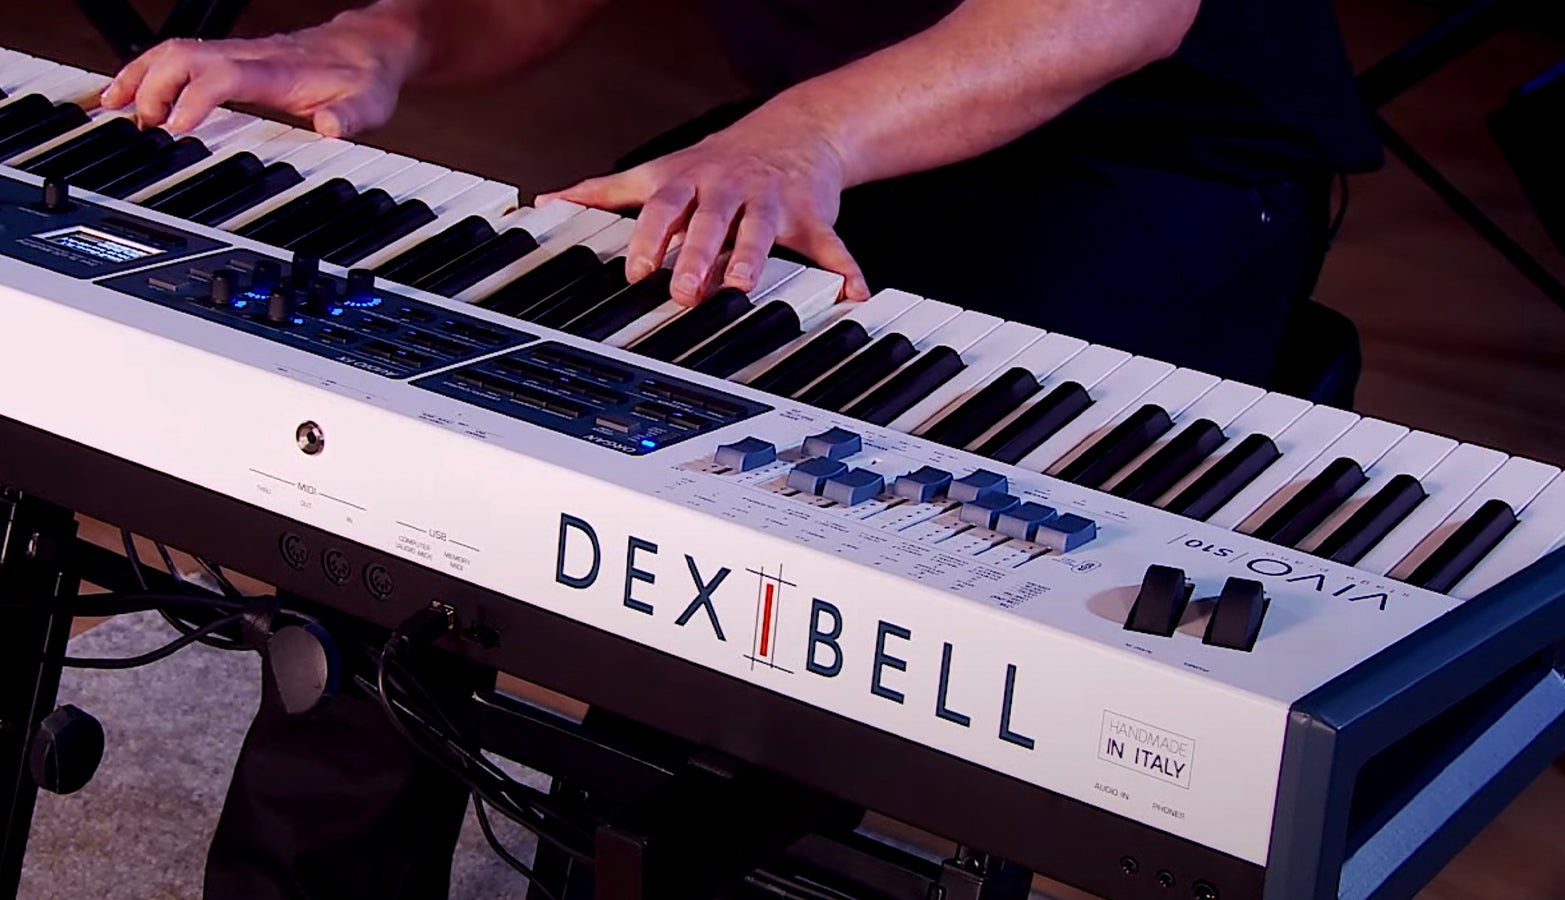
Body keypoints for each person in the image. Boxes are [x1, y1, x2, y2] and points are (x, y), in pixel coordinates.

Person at [105, 1, 1381, 897]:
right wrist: (376, 38)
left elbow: (1116, 7)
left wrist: (804, 139)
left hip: (1151, 151)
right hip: (816, 127)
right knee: (415, 433)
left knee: (741, 552)